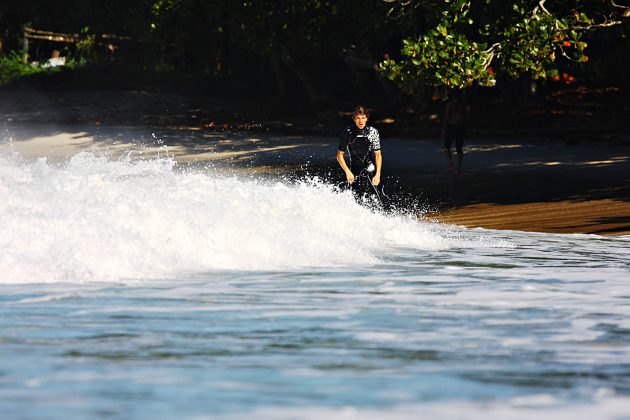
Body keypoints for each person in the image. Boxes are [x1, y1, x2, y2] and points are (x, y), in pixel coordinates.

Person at [336, 105, 383, 203]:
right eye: (358, 118)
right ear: (354, 119)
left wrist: (378, 174)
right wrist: (347, 172)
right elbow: (339, 155)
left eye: (363, 118)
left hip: (370, 167)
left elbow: (378, 154)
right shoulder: (348, 132)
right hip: (354, 169)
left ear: (367, 118)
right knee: (355, 199)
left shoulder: (373, 132)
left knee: (377, 199)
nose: (360, 121)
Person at [442, 90, 467, 175]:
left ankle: (450, 164)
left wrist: (444, 129)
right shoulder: (463, 104)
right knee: (459, 148)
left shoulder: (450, 104)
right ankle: (458, 169)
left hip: (452, 126)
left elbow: (446, 117)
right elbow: (465, 116)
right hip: (460, 126)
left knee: (446, 146)